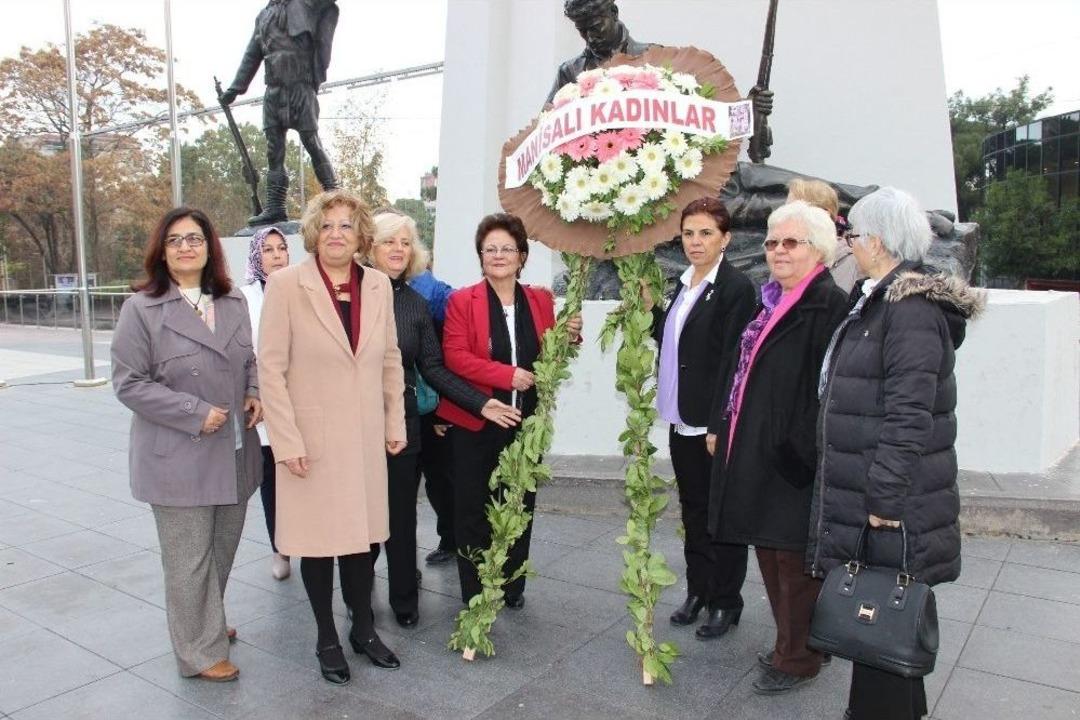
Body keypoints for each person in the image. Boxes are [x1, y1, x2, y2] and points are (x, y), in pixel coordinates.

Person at [808, 187, 984, 720]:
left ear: (877, 242)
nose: (848, 244)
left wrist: (882, 498)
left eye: (852, 235)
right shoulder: (881, 300)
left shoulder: (907, 312)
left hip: (892, 503)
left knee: (882, 612)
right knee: (883, 620)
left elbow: (911, 415)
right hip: (875, 489)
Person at [258, 189, 405, 685]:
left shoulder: (379, 286)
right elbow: (271, 370)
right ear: (314, 234)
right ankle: (326, 636)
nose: (337, 234)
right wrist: (287, 442)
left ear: (362, 234)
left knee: (361, 543)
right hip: (311, 442)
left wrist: (394, 424)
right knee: (318, 544)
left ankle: (363, 629)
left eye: (346, 225)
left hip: (364, 440)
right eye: (327, 225)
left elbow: (389, 359)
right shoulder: (285, 285)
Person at [111, 207, 263, 683]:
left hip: (235, 451)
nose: (185, 247)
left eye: (194, 238)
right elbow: (129, 383)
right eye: (174, 240)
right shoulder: (142, 308)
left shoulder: (233, 300)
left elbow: (248, 359)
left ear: (209, 246)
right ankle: (197, 652)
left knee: (220, 549)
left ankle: (204, 624)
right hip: (179, 456)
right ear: (162, 251)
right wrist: (195, 413)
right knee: (188, 559)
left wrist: (253, 391)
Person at [706, 201, 848, 695]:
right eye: (771, 242)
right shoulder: (774, 298)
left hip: (791, 461)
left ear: (819, 249)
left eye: (791, 242)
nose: (778, 251)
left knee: (792, 562)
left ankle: (799, 657)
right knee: (770, 552)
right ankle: (796, 642)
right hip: (758, 449)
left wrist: (796, 453)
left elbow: (830, 390)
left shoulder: (828, 305)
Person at [366, 210, 521, 628]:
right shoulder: (350, 298)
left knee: (401, 516)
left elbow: (435, 367)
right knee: (360, 519)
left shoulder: (416, 304)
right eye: (388, 241)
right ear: (370, 247)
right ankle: (358, 597)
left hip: (403, 427)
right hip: (355, 426)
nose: (398, 249)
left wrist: (479, 403)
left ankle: (404, 602)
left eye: (405, 242)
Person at [437, 213, 582, 607]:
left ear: (522, 255)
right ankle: (476, 590)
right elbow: (454, 357)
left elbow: (550, 354)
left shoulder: (540, 299)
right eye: (490, 249)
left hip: (525, 422)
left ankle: (511, 583)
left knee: (519, 501)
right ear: (480, 256)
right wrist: (506, 375)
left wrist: (571, 336)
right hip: (476, 421)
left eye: (507, 249)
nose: (498, 255)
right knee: (472, 508)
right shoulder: (460, 301)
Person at [649, 197, 756, 639]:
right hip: (680, 416)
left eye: (706, 233)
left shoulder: (736, 289)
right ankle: (698, 590)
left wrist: (718, 424)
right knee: (694, 510)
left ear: (725, 239)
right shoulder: (680, 284)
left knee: (721, 514)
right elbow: (672, 339)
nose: (696, 242)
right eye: (689, 233)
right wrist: (652, 309)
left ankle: (726, 601)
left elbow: (734, 361)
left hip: (712, 423)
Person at [219, 0, 339, 224]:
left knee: (311, 140)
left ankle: (335, 195)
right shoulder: (263, 15)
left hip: (301, 85)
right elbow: (252, 55)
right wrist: (234, 89)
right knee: (273, 151)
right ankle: (275, 207)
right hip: (274, 90)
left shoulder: (307, 4)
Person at [239, 226, 292, 581]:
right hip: (265, 401)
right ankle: (280, 548)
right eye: (268, 249)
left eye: (281, 248)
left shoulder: (303, 290)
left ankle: (310, 540)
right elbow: (243, 352)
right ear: (257, 257)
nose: (276, 255)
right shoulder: (243, 298)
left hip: (302, 398)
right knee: (273, 478)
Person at [408, 266, 459, 565]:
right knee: (403, 486)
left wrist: (444, 410)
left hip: (431, 404)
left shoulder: (435, 294)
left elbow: (446, 357)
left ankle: (451, 539)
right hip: (394, 404)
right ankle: (402, 559)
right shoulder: (368, 285)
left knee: (438, 479)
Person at [787, 178, 858, 293]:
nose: (784, 216)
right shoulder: (784, 252)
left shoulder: (848, 260)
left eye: (793, 210)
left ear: (823, 215)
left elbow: (835, 307)